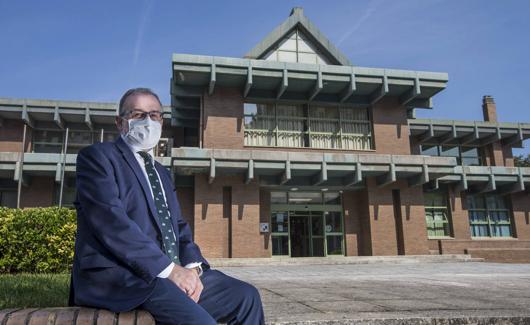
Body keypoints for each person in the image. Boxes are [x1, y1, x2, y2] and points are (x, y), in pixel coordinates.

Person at [69, 88, 265, 325]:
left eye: (154, 115)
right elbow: (110, 222)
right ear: (120, 123)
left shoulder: (161, 173)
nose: (148, 121)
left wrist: (193, 268)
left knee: (246, 297)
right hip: (123, 277)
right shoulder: (97, 158)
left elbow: (177, 227)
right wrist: (170, 270)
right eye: (138, 114)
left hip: (168, 274)